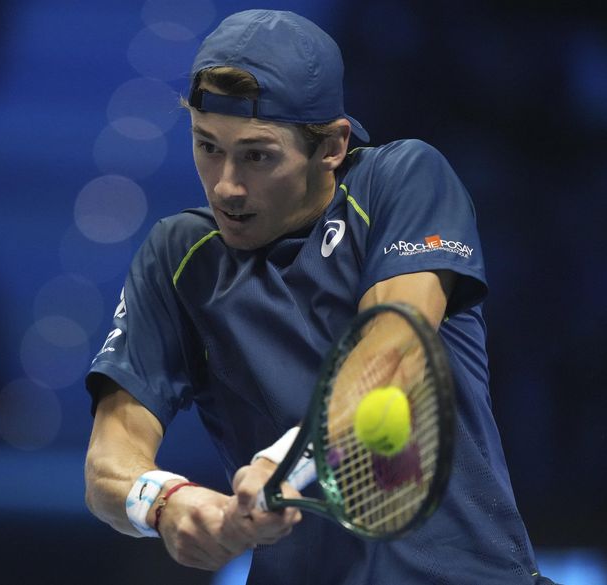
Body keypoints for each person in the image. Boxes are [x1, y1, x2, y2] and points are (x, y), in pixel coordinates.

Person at [84, 9, 553, 585]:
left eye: (258, 155)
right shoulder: (177, 256)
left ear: (331, 145)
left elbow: (395, 352)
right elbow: (110, 459)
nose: (226, 184)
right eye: (207, 146)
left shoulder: (402, 179)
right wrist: (163, 502)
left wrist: (284, 462)